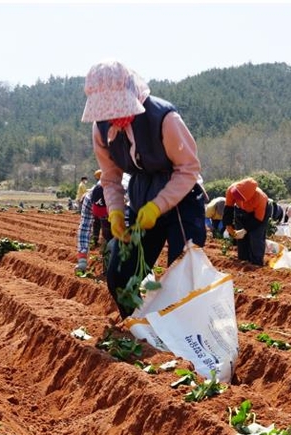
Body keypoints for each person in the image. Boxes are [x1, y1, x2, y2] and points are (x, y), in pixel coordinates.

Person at [82, 60, 207, 318]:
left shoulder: (164, 118)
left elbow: (188, 168)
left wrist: (158, 206)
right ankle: (138, 327)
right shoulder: (101, 129)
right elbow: (110, 176)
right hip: (141, 197)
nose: (113, 116)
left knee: (183, 271)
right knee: (119, 273)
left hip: (180, 198)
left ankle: (185, 333)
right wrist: (115, 212)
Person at [222, 178, 283, 267]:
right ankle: (243, 260)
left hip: (259, 214)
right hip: (240, 211)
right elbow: (228, 208)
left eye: (239, 197)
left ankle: (256, 262)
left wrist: (245, 230)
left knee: (256, 236)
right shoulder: (231, 190)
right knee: (241, 238)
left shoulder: (260, 198)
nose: (236, 197)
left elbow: (258, 220)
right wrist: (228, 225)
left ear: (248, 197)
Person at [75, 171, 110, 273]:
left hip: (119, 211)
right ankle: (107, 267)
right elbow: (84, 229)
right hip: (109, 213)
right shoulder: (88, 198)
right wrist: (82, 259)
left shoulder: (125, 197)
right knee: (106, 235)